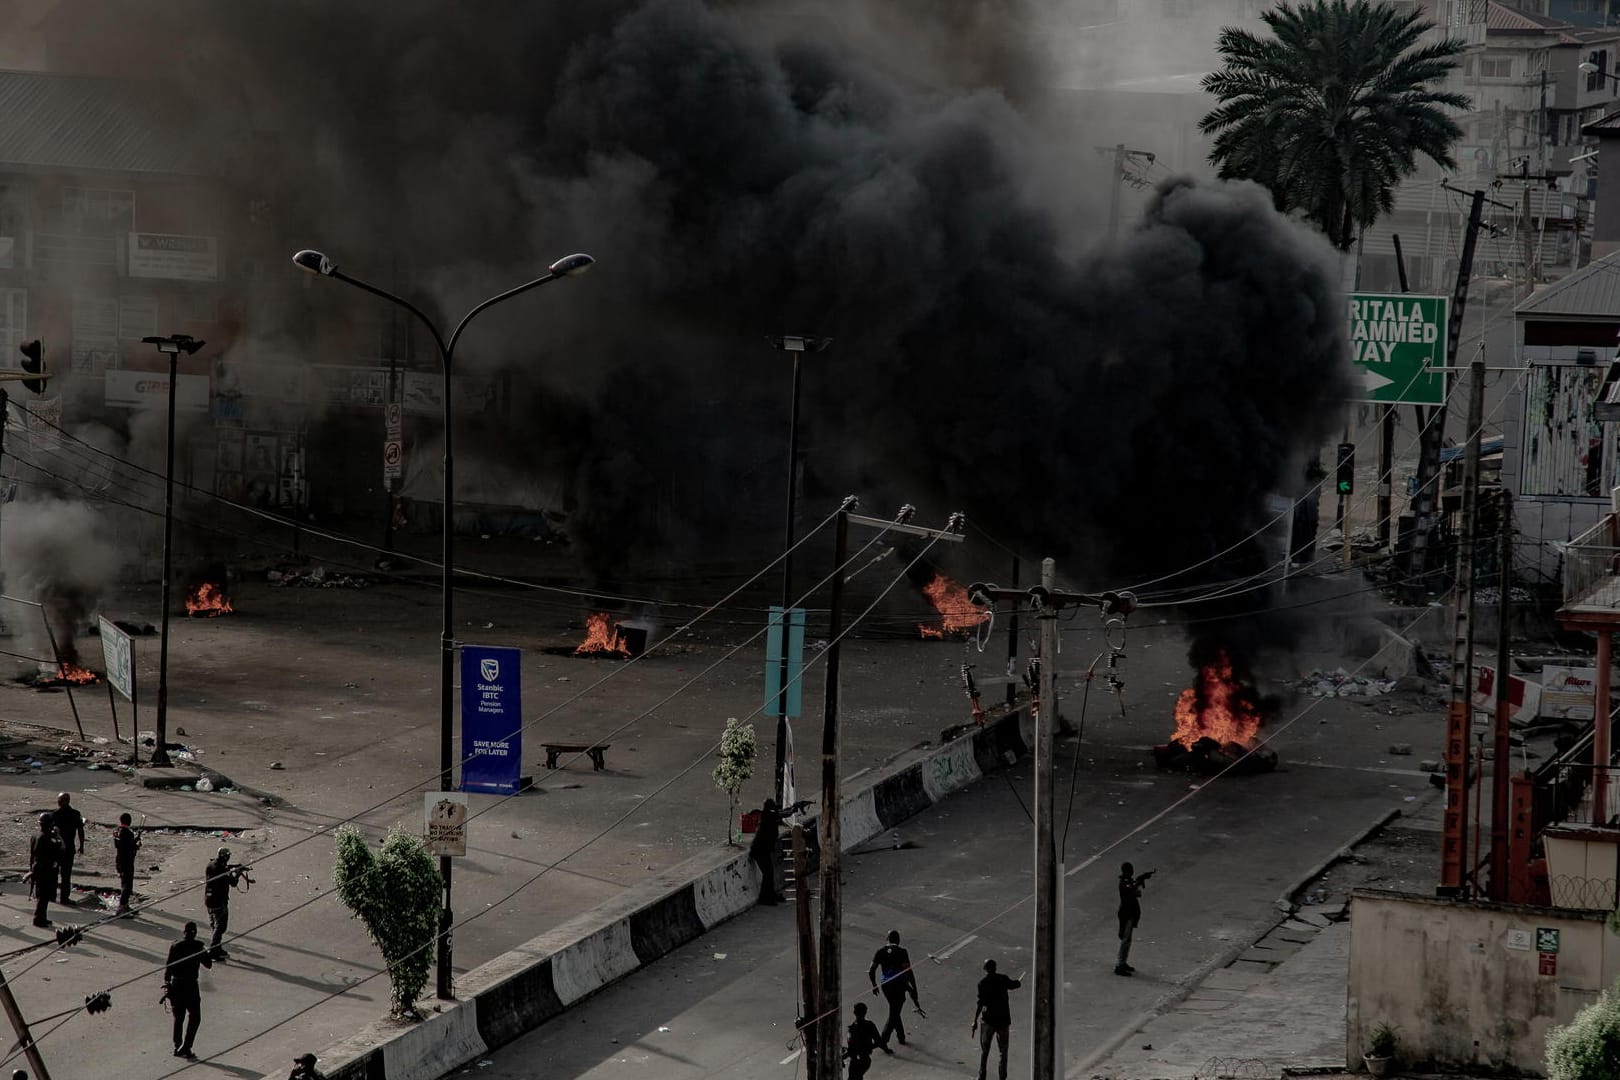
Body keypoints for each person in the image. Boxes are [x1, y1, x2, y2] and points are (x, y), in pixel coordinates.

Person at [164, 921, 213, 1059]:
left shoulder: (175, 946)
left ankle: (177, 1045)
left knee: (178, 1017)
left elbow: (169, 967)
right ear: (195, 933)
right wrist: (206, 951)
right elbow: (208, 964)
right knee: (195, 1017)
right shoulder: (198, 946)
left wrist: (167, 983)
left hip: (176, 984)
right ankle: (186, 1046)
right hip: (191, 985)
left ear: (184, 932)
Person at [869, 929, 922, 1047]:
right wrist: (914, 989)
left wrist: (874, 985)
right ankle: (883, 1040)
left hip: (886, 985)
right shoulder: (902, 952)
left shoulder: (880, 951)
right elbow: (909, 972)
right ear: (898, 940)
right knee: (894, 1012)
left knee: (894, 1009)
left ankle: (901, 1036)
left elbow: (872, 970)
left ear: (887, 939)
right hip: (899, 984)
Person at [971, 958, 1022, 1080]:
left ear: (985, 969)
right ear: (995, 968)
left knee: (985, 1050)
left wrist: (975, 1020)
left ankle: (981, 1076)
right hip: (1003, 1021)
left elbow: (980, 1003)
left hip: (988, 1020)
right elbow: (1014, 985)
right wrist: (1019, 982)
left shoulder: (982, 983)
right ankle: (1002, 1077)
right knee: (1003, 1052)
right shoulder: (1003, 978)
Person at [1117, 861, 1153, 976]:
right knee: (1125, 939)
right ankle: (1119, 965)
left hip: (1130, 913)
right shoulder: (1124, 883)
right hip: (1126, 914)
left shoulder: (1128, 882)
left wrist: (1141, 879)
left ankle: (1123, 962)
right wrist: (1140, 880)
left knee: (1128, 940)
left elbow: (1134, 888)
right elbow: (1131, 889)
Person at [26, 813, 60, 928]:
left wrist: (31, 867)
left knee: (41, 894)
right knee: (44, 896)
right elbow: (59, 849)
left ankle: (42, 917)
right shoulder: (47, 837)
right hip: (45, 869)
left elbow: (32, 853)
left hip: (37, 866)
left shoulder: (35, 835)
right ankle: (39, 918)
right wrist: (57, 836)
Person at [204, 847, 237, 959]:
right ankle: (214, 949)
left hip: (209, 900)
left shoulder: (211, 865)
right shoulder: (222, 871)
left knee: (214, 925)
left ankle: (217, 947)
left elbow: (221, 867)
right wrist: (236, 873)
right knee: (220, 927)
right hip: (219, 902)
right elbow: (233, 883)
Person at [52, 793, 83, 905]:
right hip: (69, 848)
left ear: (60, 801)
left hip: (56, 848)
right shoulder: (75, 814)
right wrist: (82, 846)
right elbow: (80, 830)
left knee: (54, 872)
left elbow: (51, 832)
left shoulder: (55, 814)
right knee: (66, 874)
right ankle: (64, 898)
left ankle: (52, 895)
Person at [843, 1001, 887, 1079]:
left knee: (853, 1077)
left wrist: (843, 1057)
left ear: (854, 1013)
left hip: (856, 1060)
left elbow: (851, 1049)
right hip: (864, 1059)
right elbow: (879, 1041)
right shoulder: (870, 1025)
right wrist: (868, 1047)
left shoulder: (852, 1028)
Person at [113, 812, 141, 916]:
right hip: (127, 861)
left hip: (119, 859)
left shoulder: (117, 831)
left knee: (124, 883)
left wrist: (135, 840)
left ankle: (125, 905)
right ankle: (121, 908)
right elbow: (129, 847)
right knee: (127, 885)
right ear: (129, 821)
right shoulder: (127, 832)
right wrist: (136, 844)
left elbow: (122, 845)